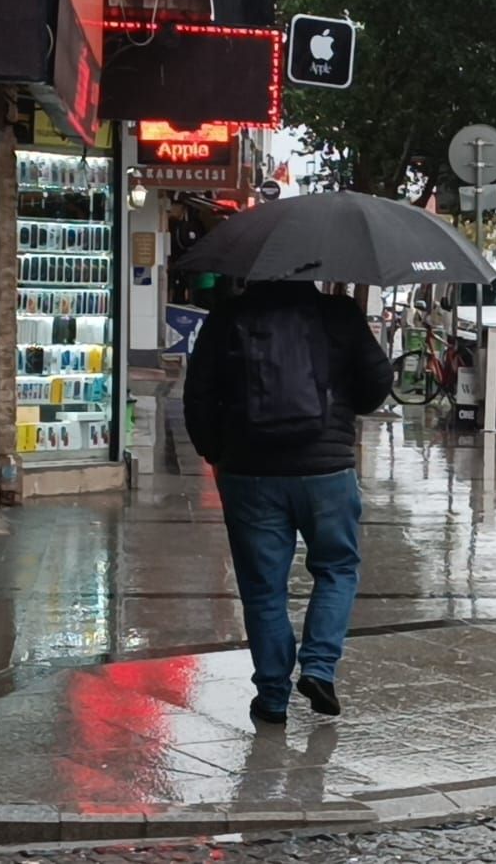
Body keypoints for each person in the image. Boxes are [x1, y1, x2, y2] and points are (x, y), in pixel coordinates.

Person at [184, 280, 393, 724]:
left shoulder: (228, 316)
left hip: (249, 472)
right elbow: (378, 381)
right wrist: (341, 408)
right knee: (336, 568)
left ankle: (273, 696)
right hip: (327, 472)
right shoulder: (339, 313)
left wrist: (214, 450)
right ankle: (318, 666)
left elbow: (198, 394)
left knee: (263, 590)